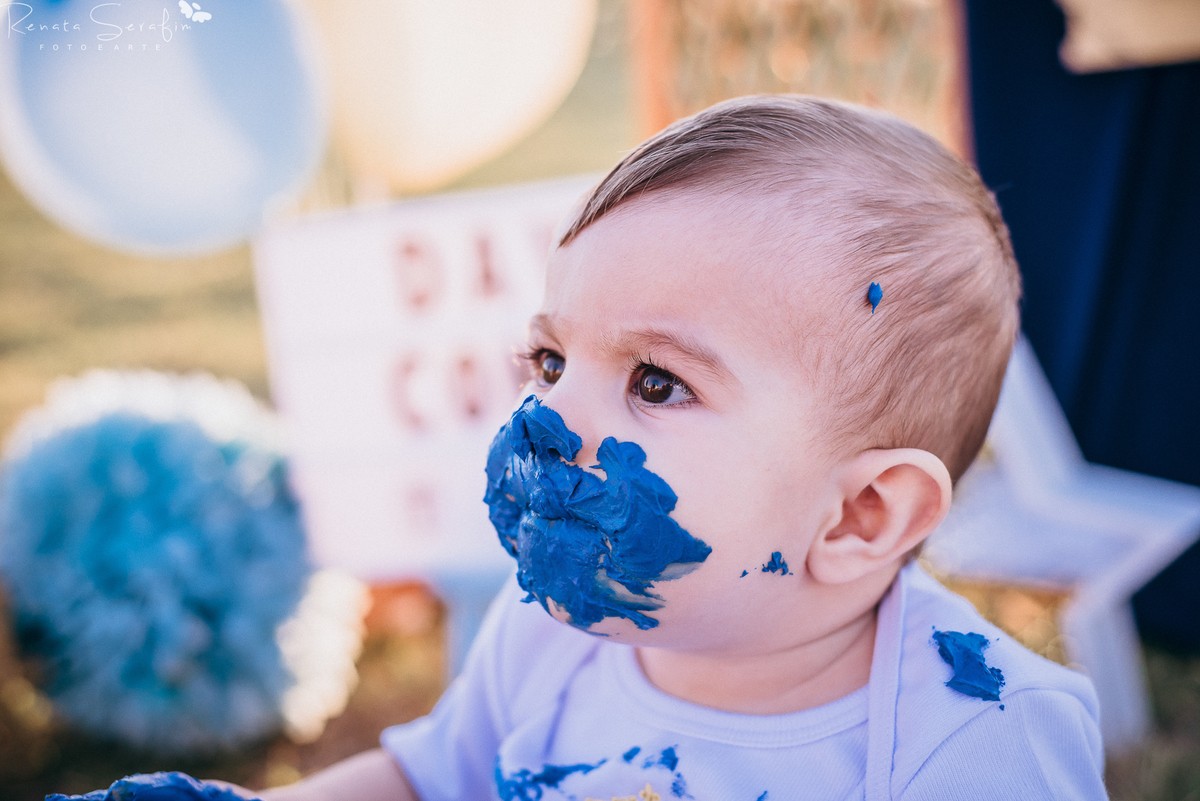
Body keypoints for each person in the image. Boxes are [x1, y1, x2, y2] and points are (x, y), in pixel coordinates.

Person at [259, 96, 1107, 801]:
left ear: (860, 514)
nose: (550, 420)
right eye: (551, 361)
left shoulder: (976, 737)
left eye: (656, 383)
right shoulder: (547, 639)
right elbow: (427, 778)